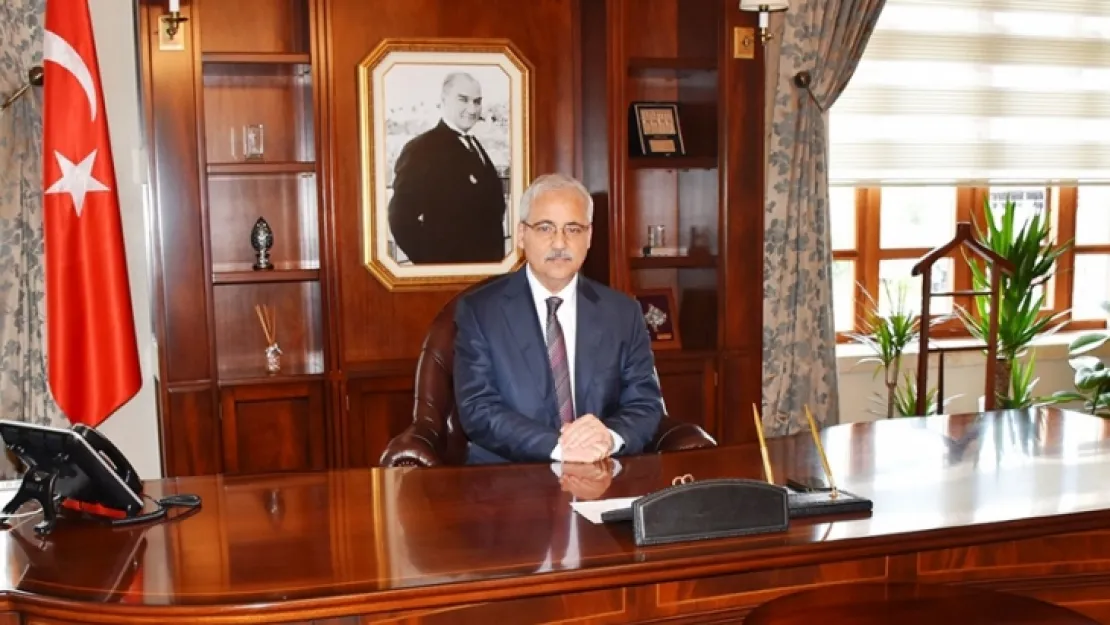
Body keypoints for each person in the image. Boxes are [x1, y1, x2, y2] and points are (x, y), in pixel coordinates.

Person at [453, 173, 664, 464]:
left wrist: (608, 437)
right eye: (545, 228)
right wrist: (560, 447)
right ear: (521, 234)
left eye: (573, 229)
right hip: (509, 478)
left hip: (601, 470)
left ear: (589, 236)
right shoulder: (480, 312)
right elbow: (478, 408)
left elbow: (645, 403)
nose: (560, 243)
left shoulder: (622, 313)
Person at [387, 71, 508, 264]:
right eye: (463, 100)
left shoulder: (473, 143)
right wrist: (435, 265)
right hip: (453, 273)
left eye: (477, 101)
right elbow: (400, 219)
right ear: (444, 100)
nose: (472, 109)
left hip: (488, 271)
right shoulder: (422, 148)